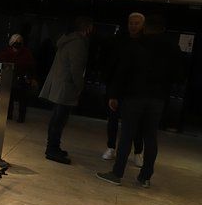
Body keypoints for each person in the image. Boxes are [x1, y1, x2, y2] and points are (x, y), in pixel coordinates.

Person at [97, 15, 183, 188]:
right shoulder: (173, 48)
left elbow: (123, 71)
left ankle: (117, 173)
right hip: (158, 98)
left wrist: (114, 94)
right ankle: (145, 177)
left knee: (127, 135)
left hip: (134, 96)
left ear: (146, 27)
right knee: (151, 137)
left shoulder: (137, 44)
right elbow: (179, 75)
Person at [38, 16, 94, 164]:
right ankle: (52, 149)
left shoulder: (67, 39)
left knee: (57, 118)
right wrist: (80, 86)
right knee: (59, 119)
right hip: (66, 86)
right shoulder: (78, 43)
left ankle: (53, 147)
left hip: (60, 84)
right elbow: (76, 68)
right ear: (87, 28)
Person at [102, 13, 145, 163]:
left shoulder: (145, 43)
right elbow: (113, 65)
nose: (133, 26)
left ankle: (138, 151)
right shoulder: (120, 41)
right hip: (118, 87)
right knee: (113, 118)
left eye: (137, 23)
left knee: (137, 123)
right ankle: (111, 147)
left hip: (137, 90)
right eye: (131, 23)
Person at [0, 34, 36, 123]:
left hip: (22, 78)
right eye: (16, 41)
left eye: (19, 42)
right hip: (9, 77)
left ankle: (21, 117)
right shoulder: (6, 52)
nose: (17, 43)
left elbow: (31, 66)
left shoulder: (26, 53)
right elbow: (1, 63)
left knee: (23, 99)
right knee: (9, 98)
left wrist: (31, 77)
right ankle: (8, 114)